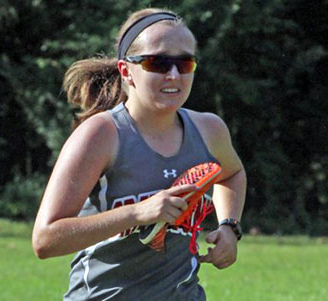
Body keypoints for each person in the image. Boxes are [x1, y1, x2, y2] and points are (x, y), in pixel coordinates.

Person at [32, 7, 247, 300]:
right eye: (158, 63)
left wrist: (229, 227)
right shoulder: (100, 135)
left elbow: (232, 173)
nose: (173, 75)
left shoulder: (209, 129)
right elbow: (45, 240)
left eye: (185, 63)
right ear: (126, 71)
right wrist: (137, 212)